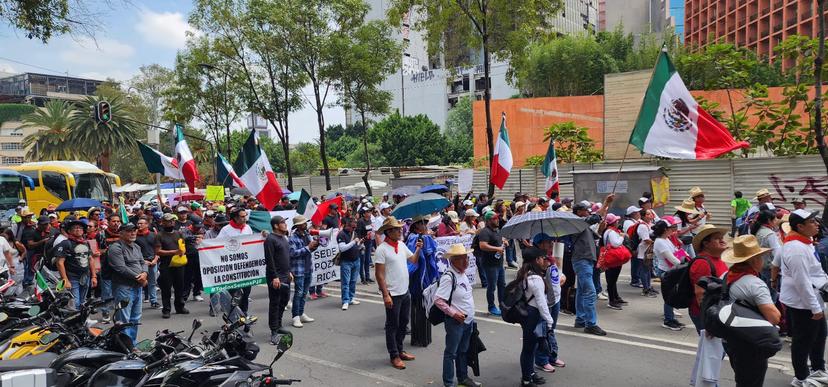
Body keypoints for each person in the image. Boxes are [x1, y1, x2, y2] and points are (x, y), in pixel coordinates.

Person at [721, 235, 781, 387]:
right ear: (754, 260)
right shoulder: (755, 284)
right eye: (760, 257)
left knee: (742, 377)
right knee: (752, 380)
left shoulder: (726, 276)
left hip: (731, 337)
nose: (762, 260)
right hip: (751, 341)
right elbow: (774, 317)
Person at [780, 209, 828, 386]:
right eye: (812, 222)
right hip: (803, 303)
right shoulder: (797, 249)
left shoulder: (804, 242)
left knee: (820, 335)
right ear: (800, 226)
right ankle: (801, 378)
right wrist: (814, 308)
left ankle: (817, 369)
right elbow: (802, 282)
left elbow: (814, 271)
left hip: (813, 297)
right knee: (803, 340)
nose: (817, 224)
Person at [375, 216, 422, 370]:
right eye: (396, 229)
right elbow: (379, 275)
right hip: (393, 293)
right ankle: (394, 355)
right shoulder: (382, 249)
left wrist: (418, 248)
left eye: (400, 228)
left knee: (403, 324)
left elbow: (413, 260)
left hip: (405, 291)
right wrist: (385, 295)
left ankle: (400, 350)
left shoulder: (401, 244)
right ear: (388, 232)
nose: (400, 230)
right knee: (392, 325)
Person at [435, 244, 480, 387]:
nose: (465, 261)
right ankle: (449, 383)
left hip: (467, 321)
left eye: (466, 258)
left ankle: (463, 378)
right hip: (456, 322)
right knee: (451, 353)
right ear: (453, 260)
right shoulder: (449, 277)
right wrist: (454, 314)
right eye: (461, 259)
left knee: (463, 351)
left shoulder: (462, 273)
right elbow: (438, 300)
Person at [517, 247, 555, 387]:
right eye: (541, 258)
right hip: (533, 315)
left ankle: (530, 373)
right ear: (536, 260)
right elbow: (541, 303)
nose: (543, 260)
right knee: (528, 348)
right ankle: (526, 380)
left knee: (531, 347)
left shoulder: (525, 273)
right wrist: (549, 321)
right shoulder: (535, 278)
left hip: (528, 313)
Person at [571, 200, 608, 336]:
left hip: (586, 260)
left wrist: (601, 228)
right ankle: (591, 324)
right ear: (579, 212)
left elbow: (595, 236)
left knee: (582, 290)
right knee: (590, 292)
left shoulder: (581, 225)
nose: (588, 212)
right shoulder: (576, 222)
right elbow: (594, 218)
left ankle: (580, 319)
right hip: (582, 260)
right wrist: (606, 203)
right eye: (586, 210)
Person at [107, 223, 148, 344]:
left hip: (137, 287)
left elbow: (143, 262)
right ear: (121, 233)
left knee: (135, 318)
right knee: (123, 319)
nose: (133, 233)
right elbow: (120, 268)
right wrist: (139, 278)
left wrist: (145, 273)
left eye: (134, 230)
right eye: (129, 231)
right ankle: (124, 346)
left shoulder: (136, 246)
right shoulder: (115, 248)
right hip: (123, 288)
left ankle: (132, 344)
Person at [532, 234, 566, 374]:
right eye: (548, 242)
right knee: (543, 331)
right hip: (545, 302)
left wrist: (562, 277)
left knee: (551, 330)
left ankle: (552, 356)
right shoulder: (537, 260)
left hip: (555, 298)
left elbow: (556, 274)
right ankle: (541, 360)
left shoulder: (550, 257)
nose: (551, 244)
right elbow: (535, 282)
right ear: (540, 244)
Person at [688, 224, 730, 334]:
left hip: (718, 311)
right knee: (711, 349)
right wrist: (709, 323)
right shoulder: (702, 263)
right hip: (708, 315)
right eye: (717, 239)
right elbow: (700, 294)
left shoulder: (717, 259)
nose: (722, 241)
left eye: (722, 238)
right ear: (706, 244)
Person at [53, 219, 96, 310]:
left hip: (85, 276)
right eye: (75, 228)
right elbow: (59, 262)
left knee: (83, 301)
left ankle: (82, 321)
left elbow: (91, 259)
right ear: (69, 231)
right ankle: (73, 322)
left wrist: (94, 276)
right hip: (72, 277)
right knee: (74, 302)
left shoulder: (86, 242)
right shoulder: (65, 243)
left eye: (80, 228)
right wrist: (65, 280)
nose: (78, 229)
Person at [218, 208, 255, 314]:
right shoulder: (226, 230)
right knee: (233, 294)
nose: (245, 218)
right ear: (235, 218)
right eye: (242, 216)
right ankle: (231, 316)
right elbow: (218, 246)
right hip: (232, 268)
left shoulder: (248, 228)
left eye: (245, 215)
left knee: (246, 292)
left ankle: (244, 314)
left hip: (246, 267)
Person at [651, 217, 684, 331]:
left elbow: (676, 252)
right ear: (665, 229)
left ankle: (671, 318)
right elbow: (672, 259)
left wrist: (682, 257)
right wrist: (684, 262)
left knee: (672, 295)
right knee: (669, 296)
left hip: (671, 270)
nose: (673, 229)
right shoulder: (660, 242)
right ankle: (668, 320)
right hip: (666, 271)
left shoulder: (666, 239)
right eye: (671, 228)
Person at [264, 215, 292, 342]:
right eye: (282, 222)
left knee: (284, 301)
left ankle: (279, 325)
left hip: (286, 276)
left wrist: (289, 272)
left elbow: (285, 257)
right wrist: (274, 277)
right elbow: (270, 260)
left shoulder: (284, 238)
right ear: (276, 225)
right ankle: (273, 331)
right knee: (275, 303)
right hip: (276, 278)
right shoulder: (270, 239)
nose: (285, 224)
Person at [155, 213, 188, 319]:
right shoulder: (159, 235)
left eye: (173, 220)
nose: (171, 222)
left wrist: (182, 252)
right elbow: (158, 251)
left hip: (179, 264)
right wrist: (175, 252)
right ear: (163, 222)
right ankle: (166, 309)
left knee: (180, 287)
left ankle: (180, 307)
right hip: (166, 265)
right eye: (169, 221)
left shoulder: (179, 233)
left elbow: (183, 246)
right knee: (166, 289)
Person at [288, 215, 318, 328]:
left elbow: (311, 248)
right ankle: (295, 316)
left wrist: (317, 244)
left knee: (305, 293)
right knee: (299, 293)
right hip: (298, 270)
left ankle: (301, 313)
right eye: (304, 223)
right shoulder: (292, 238)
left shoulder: (307, 235)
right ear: (299, 225)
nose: (306, 224)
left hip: (308, 267)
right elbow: (292, 253)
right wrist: (308, 247)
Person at [478, 211, 506, 316]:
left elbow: (498, 240)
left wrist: (504, 242)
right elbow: (482, 245)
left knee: (502, 285)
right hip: (490, 264)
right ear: (489, 220)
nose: (497, 220)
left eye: (497, 218)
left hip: (499, 263)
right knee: (492, 286)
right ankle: (491, 306)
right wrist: (497, 248)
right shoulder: (485, 232)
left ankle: (502, 305)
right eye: (494, 218)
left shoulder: (497, 230)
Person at [751, 210, 782, 289]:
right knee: (772, 293)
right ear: (769, 220)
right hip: (770, 269)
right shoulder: (770, 234)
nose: (776, 221)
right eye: (775, 219)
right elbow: (777, 254)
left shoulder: (757, 230)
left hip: (761, 266)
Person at [601, 214, 626, 310]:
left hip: (612, 257)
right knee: (611, 280)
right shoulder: (611, 232)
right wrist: (622, 237)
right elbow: (616, 244)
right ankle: (612, 300)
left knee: (613, 279)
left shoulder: (610, 231)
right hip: (613, 258)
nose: (618, 222)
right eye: (616, 221)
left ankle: (616, 297)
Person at [338, 217, 363, 310]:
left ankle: (351, 298)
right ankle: (345, 300)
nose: (354, 229)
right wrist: (354, 242)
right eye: (352, 227)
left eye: (355, 227)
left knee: (353, 281)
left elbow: (356, 245)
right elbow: (342, 248)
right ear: (347, 225)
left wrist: (360, 244)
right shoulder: (341, 234)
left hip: (356, 260)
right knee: (345, 282)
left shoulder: (354, 233)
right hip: (346, 262)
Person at [135, 217, 160, 309]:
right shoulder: (135, 236)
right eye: (138, 223)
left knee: (152, 283)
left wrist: (155, 260)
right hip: (140, 263)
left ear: (147, 225)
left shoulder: (153, 235)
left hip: (153, 262)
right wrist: (142, 261)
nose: (139, 225)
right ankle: (137, 303)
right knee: (140, 282)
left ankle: (154, 301)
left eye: (141, 223)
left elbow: (158, 248)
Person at [181, 216, 205, 302]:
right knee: (187, 276)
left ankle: (197, 293)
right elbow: (184, 237)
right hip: (188, 256)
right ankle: (184, 295)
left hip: (200, 256)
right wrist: (196, 237)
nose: (199, 228)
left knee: (199, 275)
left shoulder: (202, 230)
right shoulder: (185, 230)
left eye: (200, 226)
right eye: (196, 226)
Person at [636, 209, 656, 298]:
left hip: (649, 251)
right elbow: (646, 240)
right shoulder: (642, 226)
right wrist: (656, 243)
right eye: (648, 214)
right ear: (643, 216)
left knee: (648, 270)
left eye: (650, 214)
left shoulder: (649, 225)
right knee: (644, 270)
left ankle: (648, 287)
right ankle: (645, 289)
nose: (650, 215)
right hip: (643, 252)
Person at [356, 208, 375, 284]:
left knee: (367, 260)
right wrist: (362, 241)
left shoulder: (369, 220)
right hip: (362, 243)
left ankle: (367, 277)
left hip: (369, 242)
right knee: (362, 260)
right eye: (367, 212)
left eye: (370, 211)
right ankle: (362, 278)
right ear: (364, 214)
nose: (370, 213)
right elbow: (358, 233)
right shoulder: (360, 221)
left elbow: (370, 230)